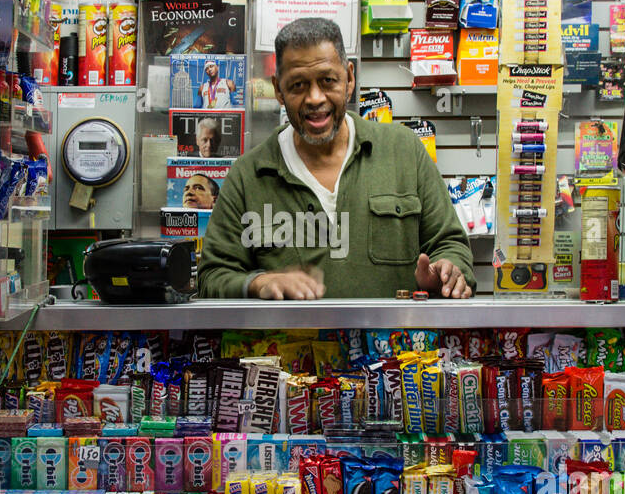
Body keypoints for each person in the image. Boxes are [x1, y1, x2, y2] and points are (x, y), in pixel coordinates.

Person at [198, 17, 474, 300]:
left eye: (328, 80)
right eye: (297, 86)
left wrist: (446, 273)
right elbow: (212, 277)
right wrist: (258, 283)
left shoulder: (403, 151)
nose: (315, 98)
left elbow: (451, 245)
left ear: (350, 78)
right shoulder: (248, 175)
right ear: (278, 90)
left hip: (396, 344)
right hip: (288, 344)